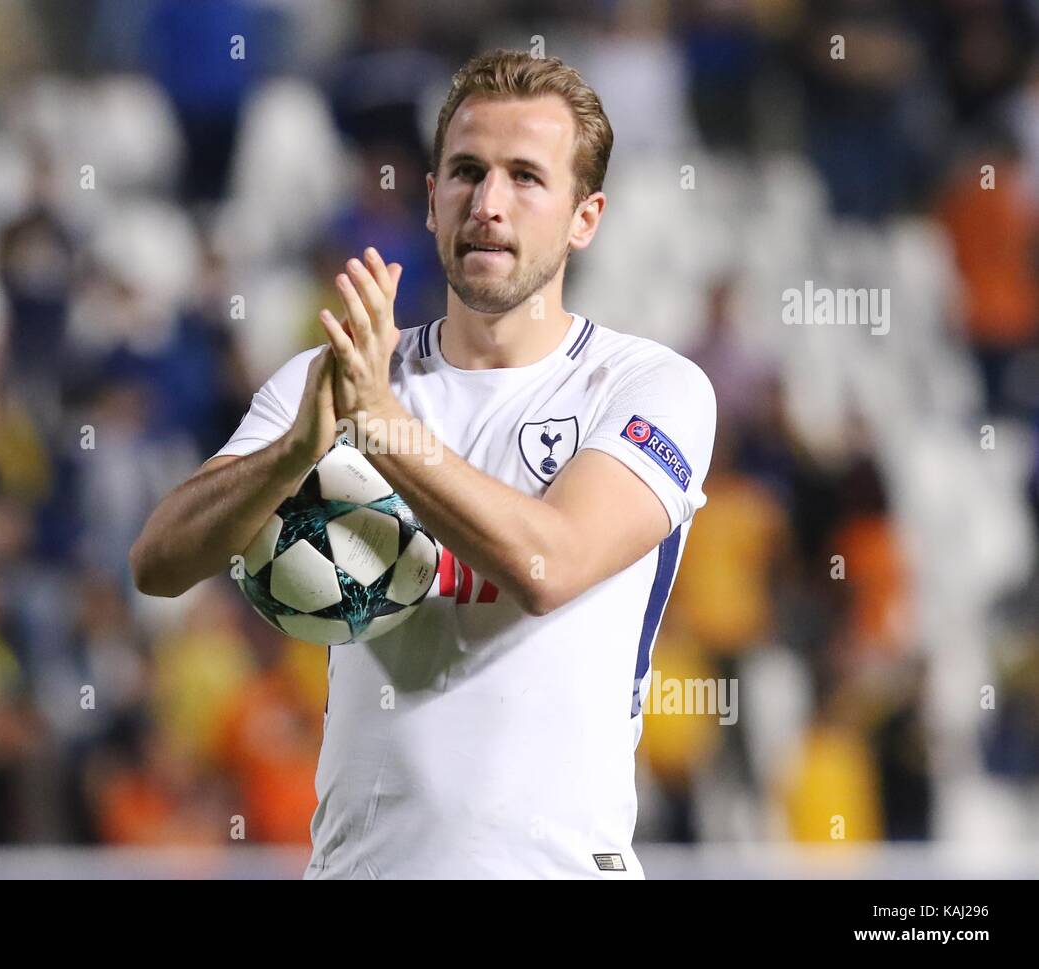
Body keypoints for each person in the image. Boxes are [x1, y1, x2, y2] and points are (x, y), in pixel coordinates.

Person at [130, 49, 717, 879]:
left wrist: (381, 425)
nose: (489, 203)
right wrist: (296, 451)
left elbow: (548, 564)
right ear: (432, 198)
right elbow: (158, 561)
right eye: (467, 172)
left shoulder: (648, 387)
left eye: (525, 177)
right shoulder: (324, 382)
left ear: (585, 217)